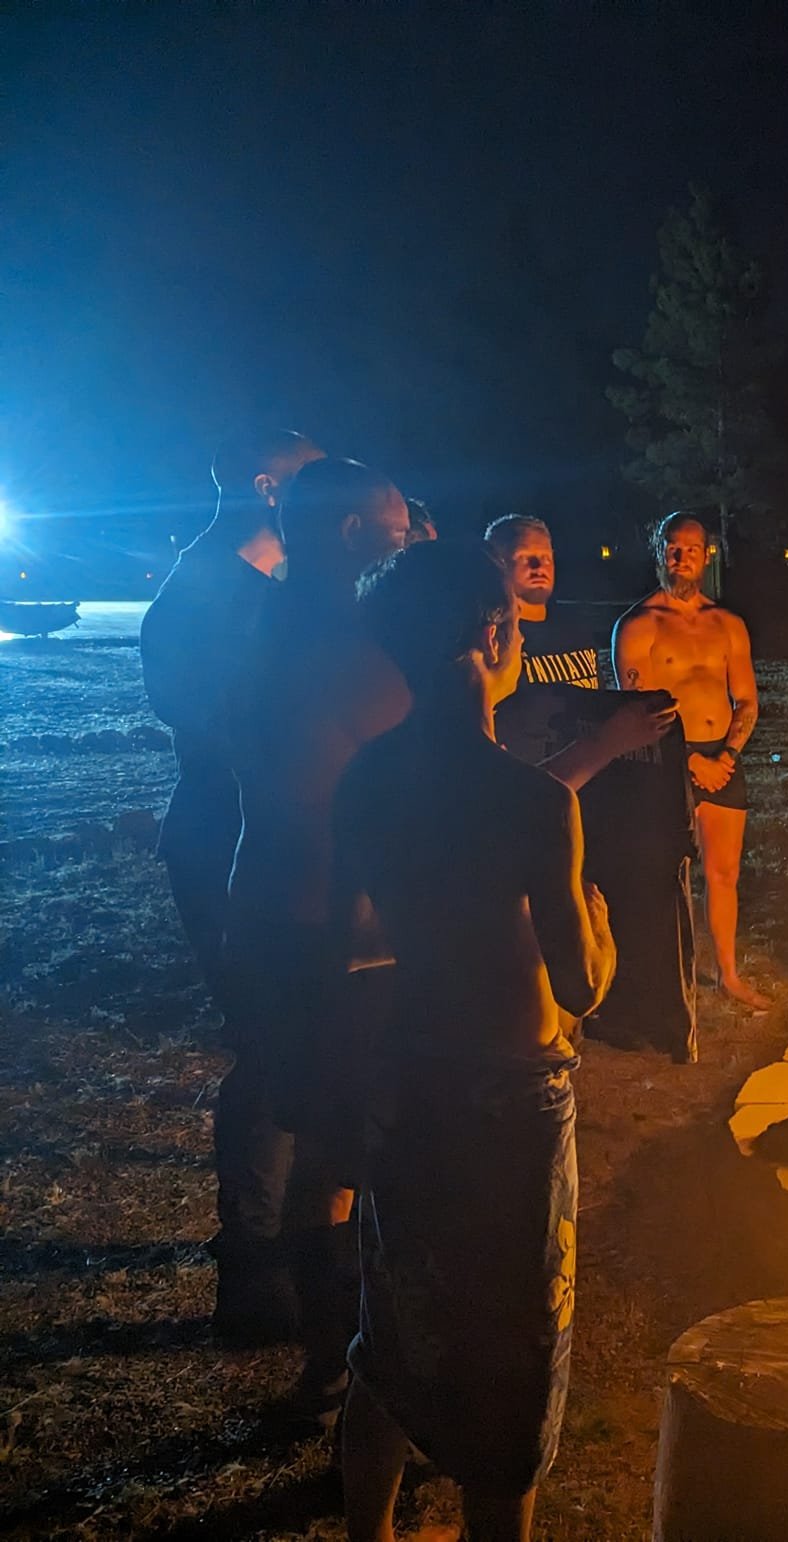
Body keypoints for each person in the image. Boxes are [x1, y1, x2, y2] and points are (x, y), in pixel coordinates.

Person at [334, 539, 615, 1542]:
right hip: (510, 1100)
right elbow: (582, 983)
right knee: (508, 1356)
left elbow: (350, 937)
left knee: (394, 1330)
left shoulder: (366, 779)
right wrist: (594, 915)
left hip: (409, 1078)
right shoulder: (535, 802)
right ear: (488, 639)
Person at [225, 456, 413, 1427]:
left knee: (323, 1146)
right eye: (397, 528)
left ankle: (324, 1354)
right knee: (351, 1154)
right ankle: (346, 1363)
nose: (413, 538)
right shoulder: (347, 654)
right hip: (334, 935)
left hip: (270, 908)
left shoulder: (273, 622)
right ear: (352, 538)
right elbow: (440, 775)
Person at [141, 426, 324, 1342]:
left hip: (273, 835)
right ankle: (252, 1270)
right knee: (269, 1041)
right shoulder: (204, 596)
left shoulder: (269, 589)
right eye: (309, 480)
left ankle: (290, 1244)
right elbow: (214, 724)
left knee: (295, 1038)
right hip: (226, 842)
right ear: (265, 488)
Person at [613, 513, 769, 1010]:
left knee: (723, 874)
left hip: (720, 758)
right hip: (665, 760)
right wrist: (685, 763)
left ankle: (727, 974)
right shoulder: (639, 625)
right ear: (659, 551)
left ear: (708, 555)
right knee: (662, 875)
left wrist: (726, 755)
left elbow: (746, 699)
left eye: (692, 549)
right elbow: (634, 709)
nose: (682, 558)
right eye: (673, 548)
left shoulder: (728, 625)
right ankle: (662, 979)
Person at [484, 514, 670, 788]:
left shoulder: (575, 628)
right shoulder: (491, 639)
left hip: (591, 779)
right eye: (523, 557)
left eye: (545, 557)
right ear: (496, 563)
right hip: (529, 789)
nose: (538, 566)